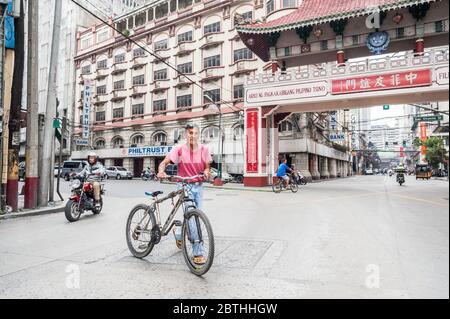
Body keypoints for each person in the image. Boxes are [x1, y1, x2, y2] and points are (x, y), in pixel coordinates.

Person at [158, 124, 212, 265]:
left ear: (198, 135)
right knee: (193, 219)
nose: (192, 135)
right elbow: (164, 163)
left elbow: (207, 166)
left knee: (196, 218)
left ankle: (177, 233)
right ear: (185, 135)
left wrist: (207, 172)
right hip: (184, 185)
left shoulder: (204, 149)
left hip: (198, 186)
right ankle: (198, 252)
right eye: (190, 133)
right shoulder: (179, 149)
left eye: (195, 133)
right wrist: (161, 171)